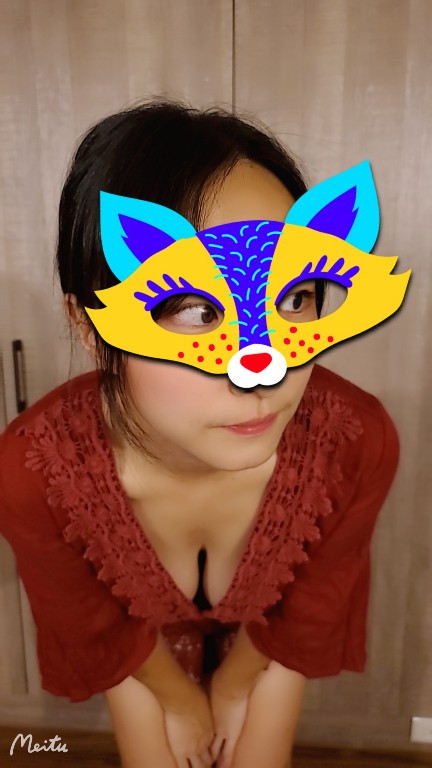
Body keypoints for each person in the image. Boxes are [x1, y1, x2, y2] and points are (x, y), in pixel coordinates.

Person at [0, 100, 400, 768]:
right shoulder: (34, 473)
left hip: (272, 634)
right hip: (131, 640)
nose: (262, 367)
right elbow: (92, 622)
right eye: (193, 309)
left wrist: (237, 681)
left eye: (294, 297)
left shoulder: (354, 443)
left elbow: (311, 604)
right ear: (89, 327)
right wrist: (179, 698)